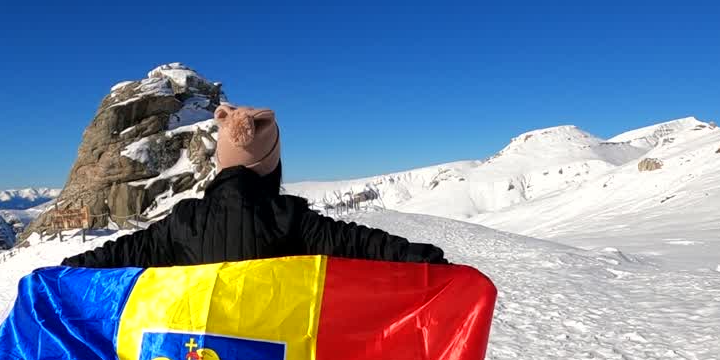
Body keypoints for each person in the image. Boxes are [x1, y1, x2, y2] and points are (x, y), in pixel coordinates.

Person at [62, 104, 447, 269]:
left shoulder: (183, 221)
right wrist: (427, 259)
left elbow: (120, 253)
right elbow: (360, 244)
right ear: (271, 164)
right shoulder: (290, 219)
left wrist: (66, 269)